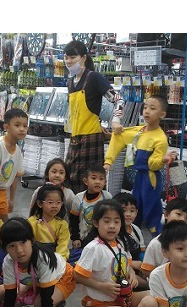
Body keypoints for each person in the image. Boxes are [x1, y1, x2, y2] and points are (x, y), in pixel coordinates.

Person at [73, 199, 148, 307]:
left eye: (116, 221)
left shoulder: (121, 243)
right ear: (96, 223)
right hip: (99, 304)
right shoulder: (93, 248)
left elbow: (128, 265)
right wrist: (102, 286)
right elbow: (77, 276)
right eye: (107, 221)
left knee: (153, 296)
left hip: (124, 297)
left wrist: (132, 275)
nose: (112, 226)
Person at [63, 40, 125, 193]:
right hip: (74, 139)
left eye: (73, 57)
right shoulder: (70, 83)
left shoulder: (93, 78)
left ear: (83, 58)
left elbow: (119, 100)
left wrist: (115, 120)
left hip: (91, 140)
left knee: (90, 185)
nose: (69, 61)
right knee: (70, 182)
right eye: (66, 57)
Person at [104, 95, 171, 236]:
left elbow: (153, 165)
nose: (147, 111)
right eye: (145, 107)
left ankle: (159, 239)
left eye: (152, 108)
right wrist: (109, 161)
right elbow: (119, 136)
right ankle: (132, 235)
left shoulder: (160, 138)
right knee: (135, 207)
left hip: (151, 179)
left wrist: (162, 160)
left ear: (162, 114)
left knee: (151, 209)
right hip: (139, 177)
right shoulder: (140, 131)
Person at [140, 197, 187, 278]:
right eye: (178, 214)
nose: (182, 219)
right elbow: (146, 270)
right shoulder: (156, 244)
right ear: (166, 214)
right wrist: (164, 279)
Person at [69, 164, 112, 249]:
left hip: (102, 238)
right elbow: (74, 220)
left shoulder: (107, 197)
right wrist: (75, 238)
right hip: (83, 239)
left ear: (105, 182)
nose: (98, 182)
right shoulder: (79, 198)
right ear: (86, 181)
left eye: (101, 179)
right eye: (94, 178)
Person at [28, 183, 70, 260]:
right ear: (40, 203)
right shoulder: (31, 222)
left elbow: (63, 246)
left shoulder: (62, 224)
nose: (55, 206)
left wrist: (58, 261)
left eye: (58, 202)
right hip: (35, 257)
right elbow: (28, 244)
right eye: (50, 202)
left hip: (55, 257)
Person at [113, 192, 147, 288]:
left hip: (136, 268)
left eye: (132, 211)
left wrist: (143, 267)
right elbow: (113, 259)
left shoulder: (136, 229)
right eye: (123, 210)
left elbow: (142, 251)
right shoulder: (113, 233)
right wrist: (132, 264)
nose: (128, 214)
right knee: (146, 285)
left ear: (136, 212)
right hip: (120, 269)